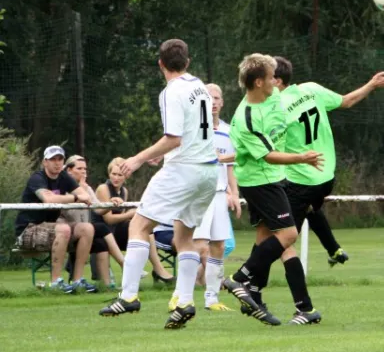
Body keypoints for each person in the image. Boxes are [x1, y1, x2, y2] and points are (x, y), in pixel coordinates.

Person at [99, 39, 218, 330]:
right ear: (188, 62)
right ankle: (185, 301)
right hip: (208, 172)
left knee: (138, 226)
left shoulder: (171, 91)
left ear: (160, 64)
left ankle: (128, 296)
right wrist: (164, 154)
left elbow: (174, 137)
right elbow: (189, 135)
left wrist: (138, 158)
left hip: (184, 170)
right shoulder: (201, 86)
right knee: (185, 237)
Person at [222, 53, 323, 326]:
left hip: (273, 177)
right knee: (288, 235)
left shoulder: (273, 97)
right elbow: (267, 155)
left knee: (264, 240)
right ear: (258, 82)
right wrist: (303, 157)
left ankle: (254, 294)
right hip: (261, 182)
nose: (275, 81)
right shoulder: (246, 119)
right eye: (270, 77)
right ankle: (239, 279)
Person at [273, 56, 384, 268]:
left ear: (276, 81)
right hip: (326, 176)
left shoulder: (277, 108)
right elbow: (347, 101)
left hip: (302, 180)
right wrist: (372, 84)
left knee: (280, 240)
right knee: (310, 207)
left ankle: (246, 279)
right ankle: (333, 248)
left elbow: (268, 151)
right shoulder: (310, 89)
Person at [164, 83, 241, 312]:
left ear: (222, 102)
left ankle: (212, 298)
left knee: (218, 245)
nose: (214, 102)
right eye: (209, 98)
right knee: (197, 245)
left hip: (218, 193)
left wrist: (233, 193)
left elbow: (230, 167)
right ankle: (179, 295)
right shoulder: (193, 128)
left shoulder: (229, 131)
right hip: (199, 193)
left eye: (217, 98)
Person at [14, 145, 97, 293]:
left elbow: (85, 195)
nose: (57, 162)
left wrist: (115, 201)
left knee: (88, 228)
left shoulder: (64, 177)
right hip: (28, 229)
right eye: (52, 159)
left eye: (60, 159)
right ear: (45, 162)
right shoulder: (37, 178)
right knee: (64, 228)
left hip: (51, 227)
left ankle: (77, 280)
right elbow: (49, 199)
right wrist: (76, 197)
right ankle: (56, 283)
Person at [94, 157, 173, 283]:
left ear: (126, 177)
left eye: (120, 175)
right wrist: (130, 214)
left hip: (116, 232)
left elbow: (122, 219)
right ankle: (135, 268)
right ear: (109, 174)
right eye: (113, 174)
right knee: (136, 224)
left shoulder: (124, 191)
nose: (116, 178)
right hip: (103, 231)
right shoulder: (103, 188)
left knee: (145, 227)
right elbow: (108, 219)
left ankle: (158, 269)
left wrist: (131, 217)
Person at [62, 154, 124, 287]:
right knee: (101, 228)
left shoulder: (87, 188)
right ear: (69, 170)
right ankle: (124, 264)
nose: (84, 171)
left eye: (85, 169)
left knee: (101, 241)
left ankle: (106, 285)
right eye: (79, 169)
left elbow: (98, 209)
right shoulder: (63, 187)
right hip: (66, 230)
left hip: (85, 231)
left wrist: (110, 203)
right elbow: (66, 212)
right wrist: (80, 193)